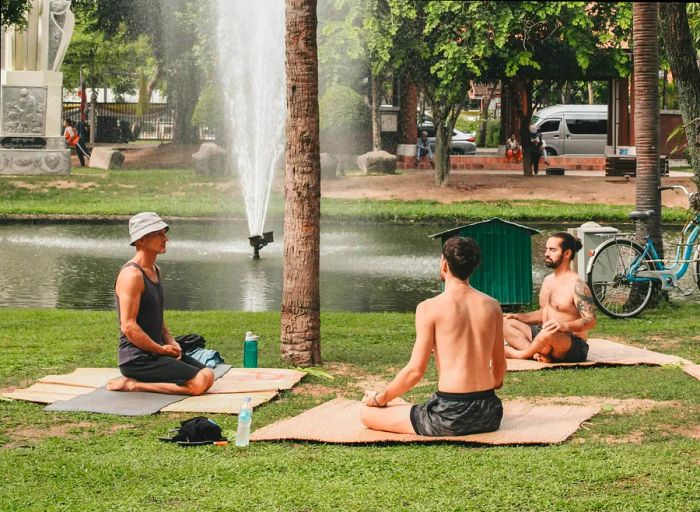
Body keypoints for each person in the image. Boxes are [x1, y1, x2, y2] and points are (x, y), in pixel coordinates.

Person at [360, 237, 506, 436]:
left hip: (450, 415)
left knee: (367, 414)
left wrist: (381, 398)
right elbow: (499, 369)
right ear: (473, 267)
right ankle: (397, 404)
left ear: (444, 264)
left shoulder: (430, 308)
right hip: (489, 413)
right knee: (397, 405)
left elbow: (414, 371)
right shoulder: (492, 305)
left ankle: (387, 401)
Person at [107, 212, 215, 395]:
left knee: (208, 373)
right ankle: (133, 385)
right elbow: (128, 327)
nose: (166, 238)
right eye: (159, 234)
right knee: (198, 383)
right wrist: (161, 350)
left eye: (164, 233)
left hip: (155, 353)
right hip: (137, 360)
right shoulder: (131, 275)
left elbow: (156, 317)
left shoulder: (155, 270)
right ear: (141, 240)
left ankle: (140, 380)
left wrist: (172, 342)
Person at [503, 232, 596, 363]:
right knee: (505, 322)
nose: (546, 254)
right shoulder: (547, 280)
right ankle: (537, 353)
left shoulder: (577, 285)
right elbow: (544, 313)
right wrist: (519, 316)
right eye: (546, 249)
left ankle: (522, 354)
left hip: (568, 343)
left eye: (552, 250)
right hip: (543, 334)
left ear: (567, 254)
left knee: (549, 333)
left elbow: (590, 320)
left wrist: (564, 326)